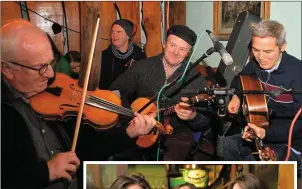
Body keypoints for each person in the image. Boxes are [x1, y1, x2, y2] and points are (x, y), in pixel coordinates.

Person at [1, 19, 157, 189]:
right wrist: (46, 171)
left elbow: (87, 148)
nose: (51, 73)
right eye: (40, 67)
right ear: (7, 69)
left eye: (51, 63)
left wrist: (129, 133)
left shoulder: (54, 94)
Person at [110, 25, 211, 161]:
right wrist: (130, 115)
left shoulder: (196, 78)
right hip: (140, 127)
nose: (176, 52)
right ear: (164, 44)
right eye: (172, 45)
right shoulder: (143, 67)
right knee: (120, 156)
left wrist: (192, 116)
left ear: (188, 53)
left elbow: (206, 122)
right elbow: (116, 89)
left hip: (177, 135)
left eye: (182, 49)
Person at [221, 20, 302, 166]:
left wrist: (266, 134)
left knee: (257, 164)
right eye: (255, 50)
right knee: (225, 145)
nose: (261, 57)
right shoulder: (254, 65)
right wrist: (236, 98)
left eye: (268, 51)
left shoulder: (298, 72)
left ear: (282, 46)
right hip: (260, 130)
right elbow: (239, 81)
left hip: (291, 143)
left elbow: (299, 125)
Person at [99, 19, 146, 90]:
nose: (114, 35)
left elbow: (143, 84)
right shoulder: (104, 56)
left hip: (131, 100)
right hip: (108, 98)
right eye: (112, 32)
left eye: (118, 32)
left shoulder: (139, 55)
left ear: (128, 36)